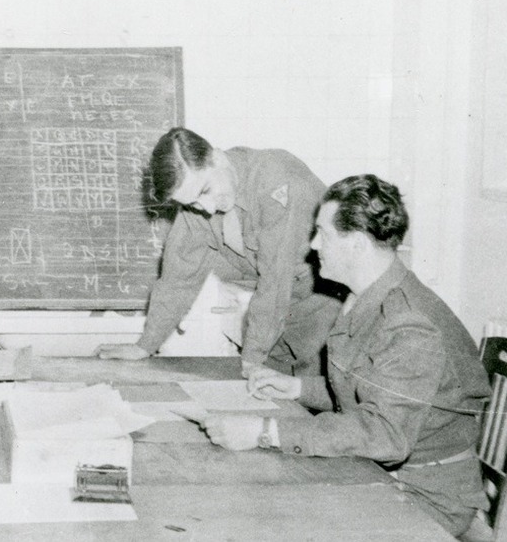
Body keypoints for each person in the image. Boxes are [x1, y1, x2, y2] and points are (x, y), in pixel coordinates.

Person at [204, 175, 490, 537]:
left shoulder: (410, 324)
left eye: (322, 233)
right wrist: (296, 387)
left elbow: (385, 432)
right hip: (381, 474)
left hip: (426, 497)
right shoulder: (367, 295)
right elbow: (370, 391)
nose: (313, 244)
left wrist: (265, 431)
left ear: (355, 244)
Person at [95, 128, 341, 377]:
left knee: (315, 395)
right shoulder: (198, 206)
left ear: (218, 158)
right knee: (272, 396)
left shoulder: (276, 180)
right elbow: (177, 279)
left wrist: (253, 359)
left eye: (205, 191)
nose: (208, 209)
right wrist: (145, 346)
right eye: (191, 203)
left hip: (327, 307)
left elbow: (275, 282)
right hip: (278, 316)